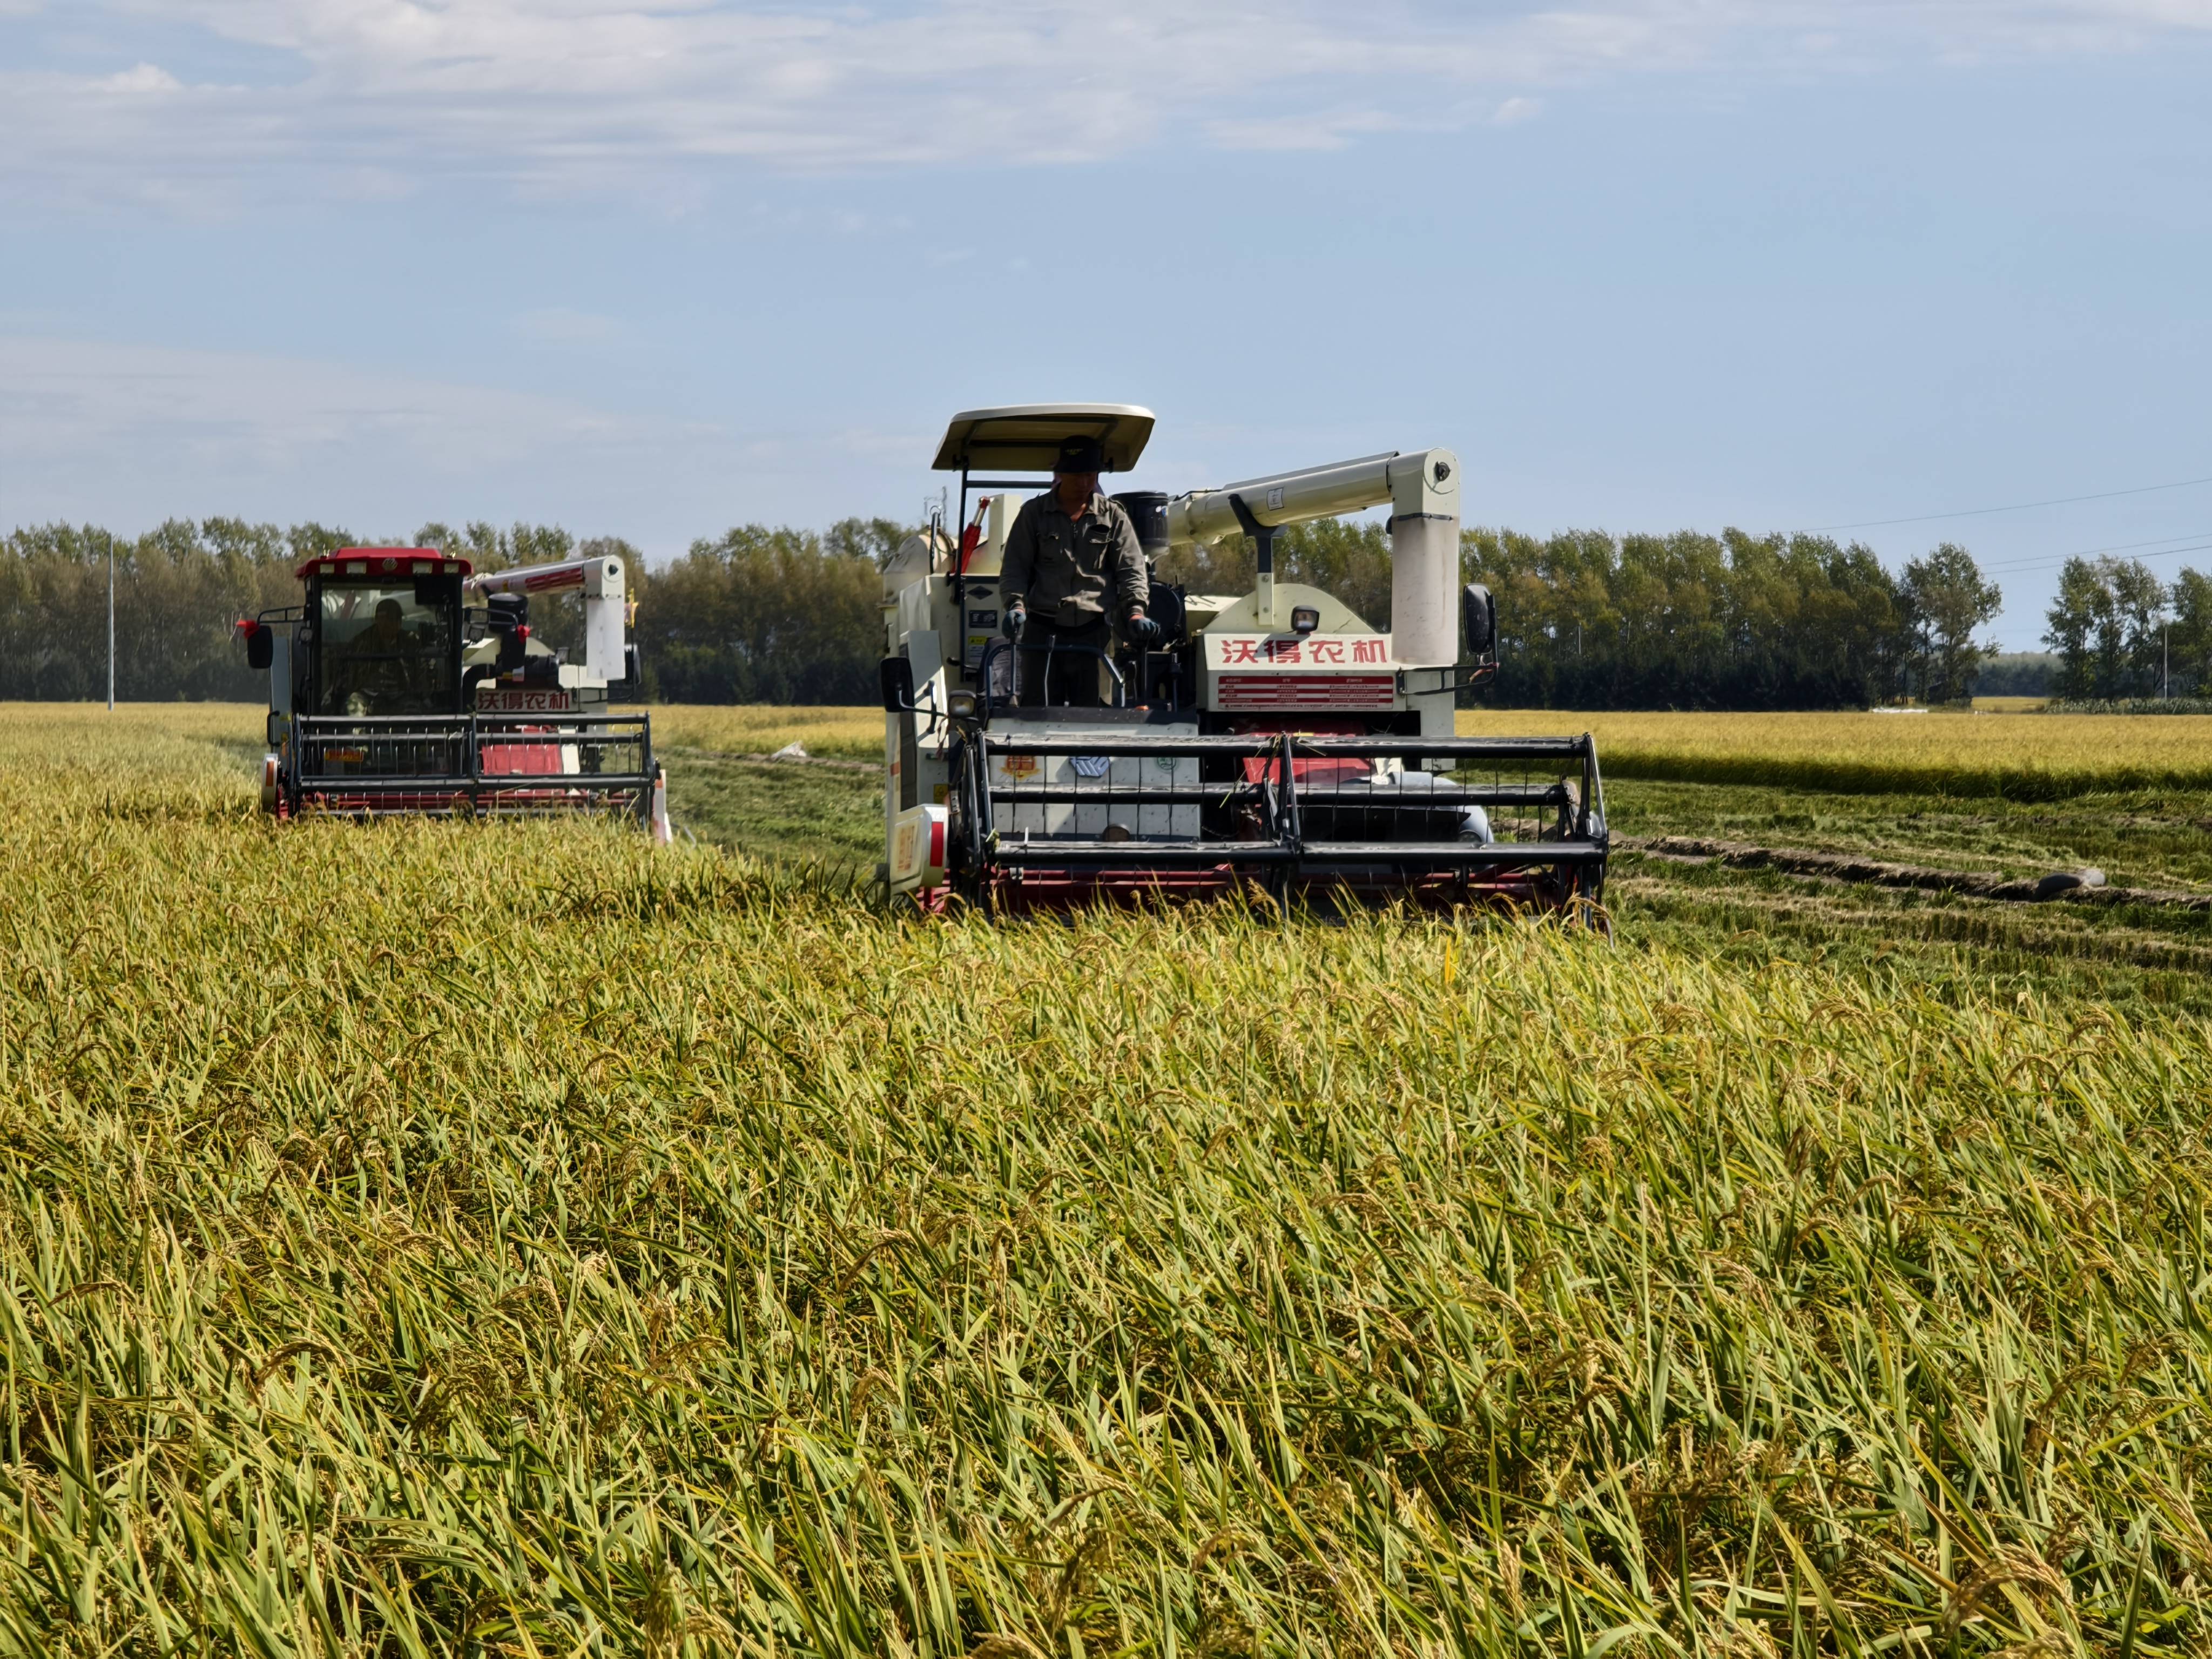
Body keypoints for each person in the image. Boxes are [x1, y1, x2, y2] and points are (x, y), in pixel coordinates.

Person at [999, 435, 1160, 707]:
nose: (1084, 483)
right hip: (1043, 631)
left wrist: (1135, 611)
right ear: (1059, 474)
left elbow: (1132, 569)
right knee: (1036, 712)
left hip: (1094, 632)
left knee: (1096, 714)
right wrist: (1016, 606)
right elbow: (1015, 567)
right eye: (1076, 475)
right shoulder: (1034, 514)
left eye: (1089, 475)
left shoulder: (1113, 516)